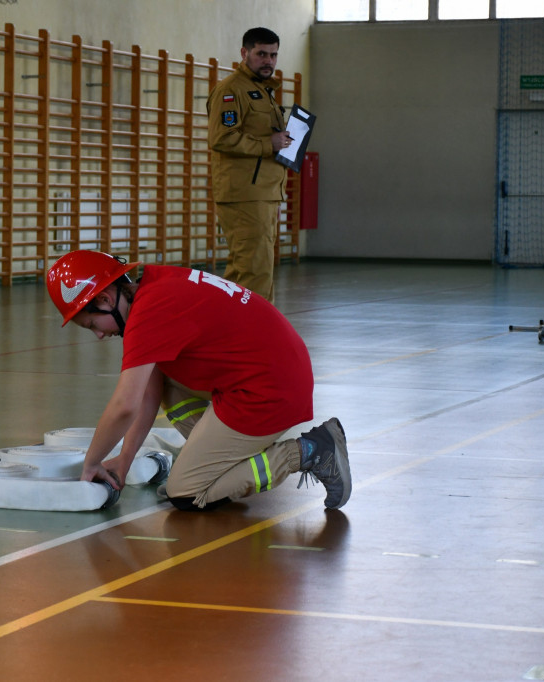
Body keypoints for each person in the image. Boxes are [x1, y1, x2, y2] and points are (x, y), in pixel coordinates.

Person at [46, 249, 350, 511]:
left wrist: (92, 463)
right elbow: (148, 394)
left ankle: (309, 451)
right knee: (162, 376)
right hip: (272, 374)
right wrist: (124, 460)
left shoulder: (148, 314)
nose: (99, 335)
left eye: (91, 324)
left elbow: (125, 405)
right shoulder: (154, 285)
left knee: (187, 493)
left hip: (268, 392)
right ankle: (211, 463)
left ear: (104, 298)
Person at [207, 26, 290, 303]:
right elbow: (222, 137)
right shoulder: (232, 90)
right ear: (245, 53)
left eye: (274, 55)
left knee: (255, 269)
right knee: (252, 270)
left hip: (264, 193)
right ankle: (249, 338)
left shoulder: (262, 91)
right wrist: (270, 144)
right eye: (261, 54)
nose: (269, 61)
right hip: (245, 194)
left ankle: (239, 334)